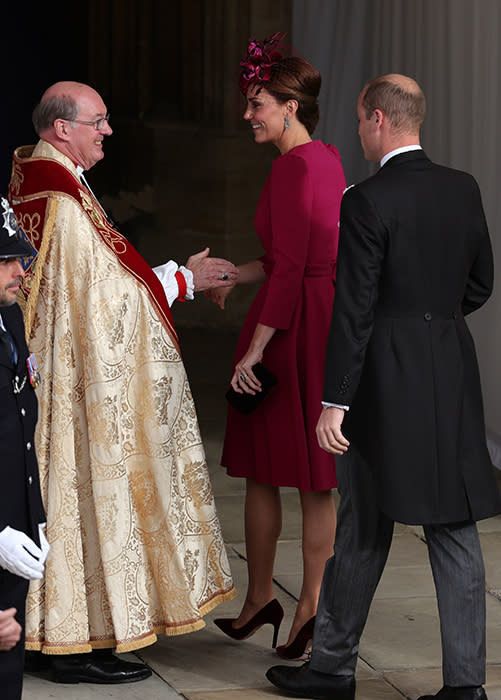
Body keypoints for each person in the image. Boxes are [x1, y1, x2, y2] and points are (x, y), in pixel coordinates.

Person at [266, 73, 501, 700]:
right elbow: (480, 284)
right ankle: (466, 689)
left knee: (363, 525)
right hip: (450, 372)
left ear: (376, 120)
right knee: (453, 527)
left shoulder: (367, 200)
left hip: (380, 383)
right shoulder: (464, 188)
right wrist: (433, 327)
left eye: (360, 120)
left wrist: (333, 400)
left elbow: (354, 310)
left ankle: (330, 670)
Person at [7, 80, 238, 685]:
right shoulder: (58, 194)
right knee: (78, 493)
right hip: (73, 378)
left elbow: (99, 274)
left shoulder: (33, 173)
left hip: (54, 368)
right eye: (99, 121)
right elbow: (106, 300)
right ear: (63, 128)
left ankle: (81, 630)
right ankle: (66, 641)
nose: (109, 130)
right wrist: (183, 280)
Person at [208, 33, 346, 659]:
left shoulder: (295, 168)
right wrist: (237, 276)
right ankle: (275, 600)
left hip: (293, 330)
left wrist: (255, 349)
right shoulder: (326, 160)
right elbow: (285, 258)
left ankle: (303, 606)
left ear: (289, 105)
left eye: (256, 102)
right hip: (308, 318)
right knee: (284, 471)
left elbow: (293, 269)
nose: (248, 115)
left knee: (298, 471)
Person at [0, 197, 49, 699]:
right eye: (7, 260)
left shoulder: (11, 317)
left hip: (13, 522)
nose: (20, 270)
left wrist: (33, 515)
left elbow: (20, 420)